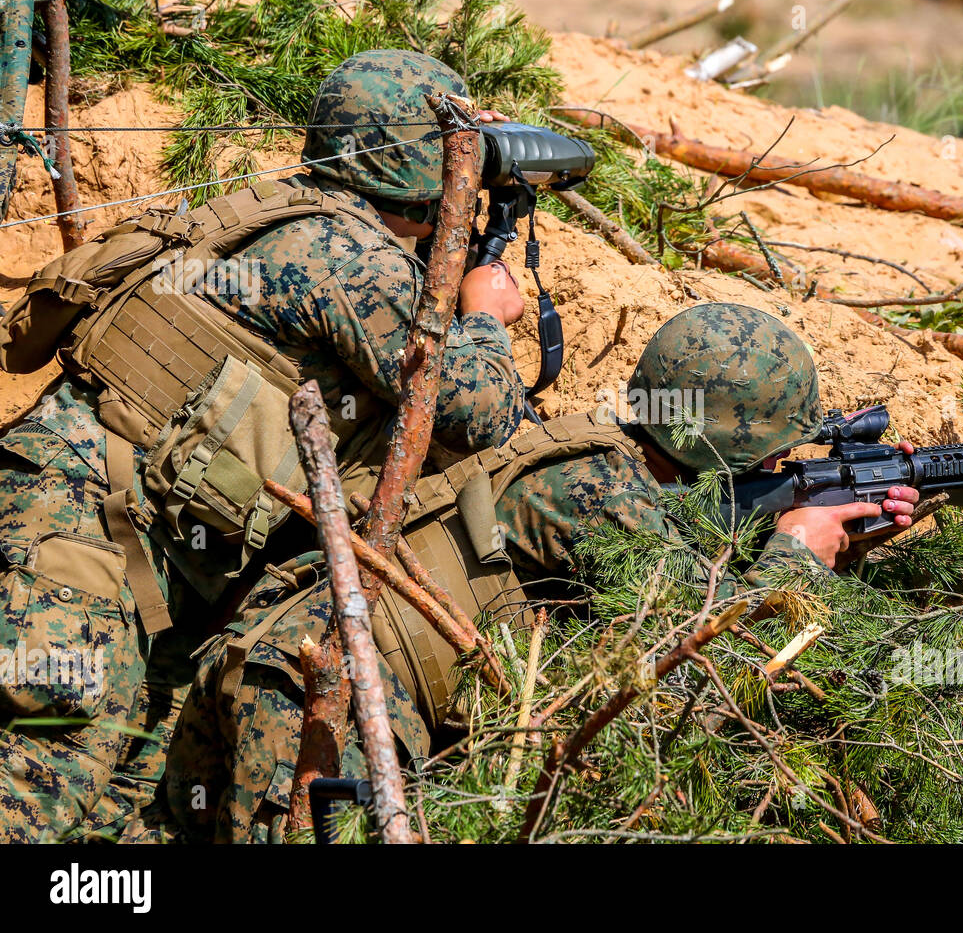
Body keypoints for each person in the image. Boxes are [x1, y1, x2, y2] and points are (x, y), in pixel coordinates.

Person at [146, 303, 922, 843]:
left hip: (294, 666)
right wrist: (794, 559)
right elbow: (687, 682)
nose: (784, 465)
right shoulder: (602, 494)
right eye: (774, 454)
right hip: (318, 700)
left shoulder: (608, 454)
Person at [0, 49, 527, 841]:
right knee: (38, 780)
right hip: (86, 540)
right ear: (426, 162)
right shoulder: (346, 257)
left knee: (130, 807)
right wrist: (484, 313)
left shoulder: (269, 210)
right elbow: (475, 412)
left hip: (122, 544)